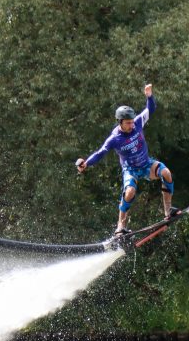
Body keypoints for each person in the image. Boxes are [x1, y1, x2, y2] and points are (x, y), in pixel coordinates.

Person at [76, 84, 178, 235]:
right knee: (129, 192)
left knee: (167, 173)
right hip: (130, 170)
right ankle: (120, 226)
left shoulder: (137, 123)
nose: (131, 124)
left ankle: (168, 211)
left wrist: (149, 96)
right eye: (128, 123)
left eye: (132, 121)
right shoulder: (114, 139)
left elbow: (151, 109)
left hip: (146, 164)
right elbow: (101, 152)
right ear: (120, 122)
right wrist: (86, 163)